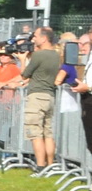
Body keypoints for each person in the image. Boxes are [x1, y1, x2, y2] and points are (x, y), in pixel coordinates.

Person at [20, 25, 62, 171]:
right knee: (48, 132)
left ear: (44, 39)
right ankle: (50, 164)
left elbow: (24, 74)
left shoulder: (39, 55)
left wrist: (23, 59)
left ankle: (40, 166)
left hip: (37, 96)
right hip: (50, 95)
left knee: (35, 132)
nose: (33, 38)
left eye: (36, 36)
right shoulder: (56, 55)